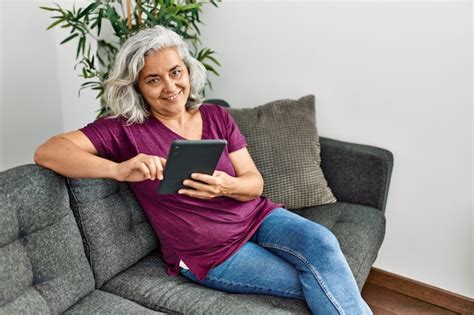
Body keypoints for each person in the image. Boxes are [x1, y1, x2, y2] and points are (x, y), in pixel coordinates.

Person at [34, 25, 372, 315]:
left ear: (188, 70)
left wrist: (226, 186)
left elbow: (254, 184)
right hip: (210, 254)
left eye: (175, 72)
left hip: (259, 217)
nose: (170, 87)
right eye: (153, 80)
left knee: (323, 244)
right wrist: (119, 169)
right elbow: (48, 151)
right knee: (317, 276)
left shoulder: (215, 117)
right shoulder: (124, 130)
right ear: (137, 88)